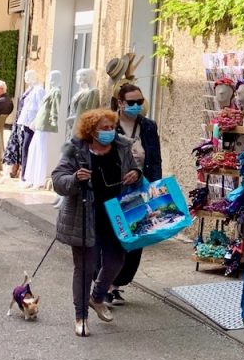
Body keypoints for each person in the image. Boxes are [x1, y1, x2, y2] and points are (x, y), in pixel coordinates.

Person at [51, 108, 141, 337]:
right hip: (85, 215)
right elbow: (58, 180)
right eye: (104, 128)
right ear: (91, 131)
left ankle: (98, 296)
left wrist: (135, 174)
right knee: (85, 268)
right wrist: (74, 178)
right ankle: (80, 316)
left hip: (116, 215)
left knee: (116, 261)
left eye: (112, 127)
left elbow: (134, 168)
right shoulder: (75, 150)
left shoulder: (121, 147)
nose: (110, 132)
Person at [107, 83, 162, 304]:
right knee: (113, 237)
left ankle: (118, 283)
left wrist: (156, 188)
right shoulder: (108, 124)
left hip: (141, 187)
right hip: (114, 188)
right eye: (131, 102)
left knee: (135, 237)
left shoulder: (148, 126)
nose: (137, 106)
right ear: (120, 103)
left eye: (140, 102)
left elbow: (155, 158)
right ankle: (106, 284)